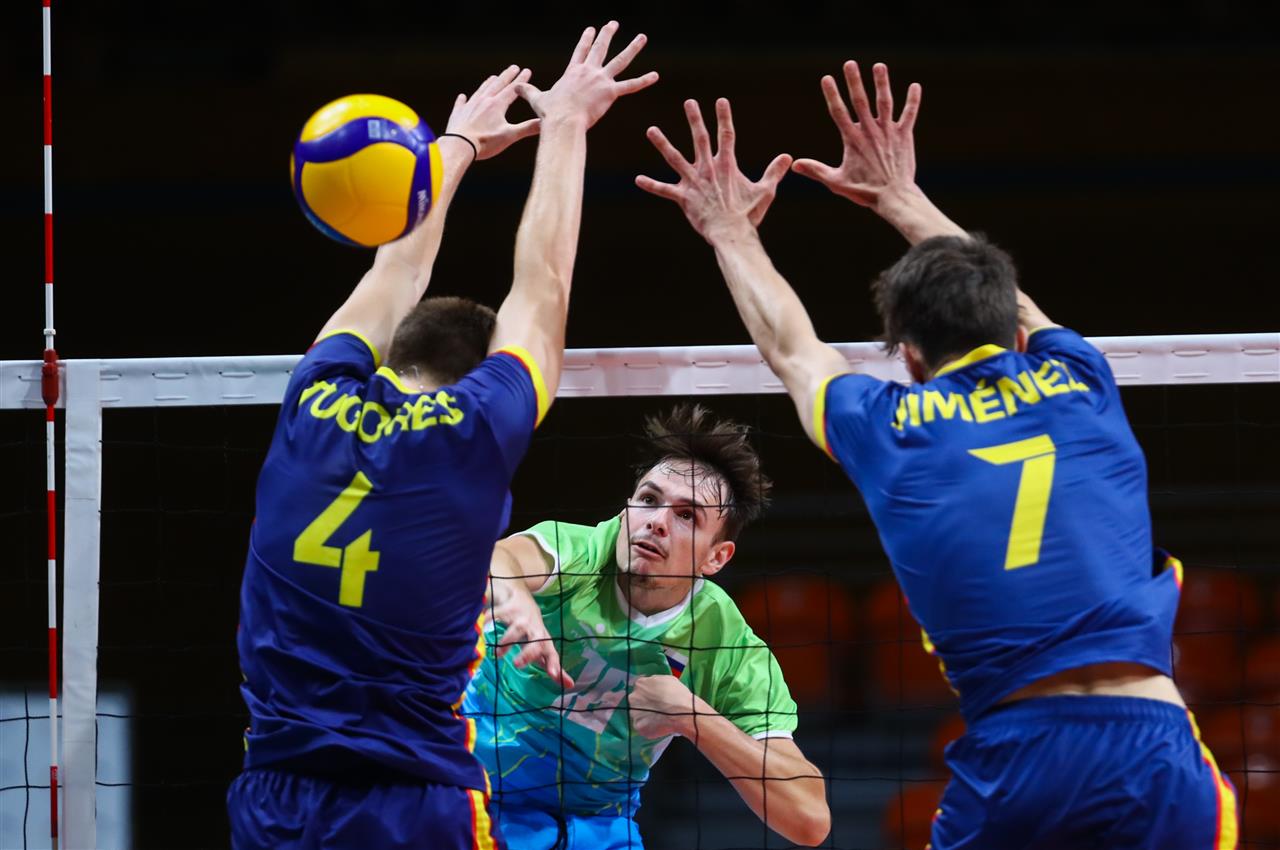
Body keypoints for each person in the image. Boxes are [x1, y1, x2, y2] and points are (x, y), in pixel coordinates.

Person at [636, 62, 1237, 849]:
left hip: (1021, 759)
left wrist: (729, 229)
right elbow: (1013, 304)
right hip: (1157, 744)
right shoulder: (1081, 379)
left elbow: (791, 347)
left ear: (909, 358)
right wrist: (899, 196)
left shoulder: (888, 424)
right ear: (1011, 330)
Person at [227, 24, 658, 850]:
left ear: (394, 354)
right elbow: (545, 283)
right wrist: (566, 124)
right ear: (477, 374)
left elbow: (393, 273)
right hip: (413, 800)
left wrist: (450, 149)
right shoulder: (472, 430)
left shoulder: (310, 404)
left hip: (274, 800)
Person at [461, 404, 831, 849]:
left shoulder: (724, 642)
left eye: (687, 515)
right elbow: (499, 558)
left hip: (596, 822)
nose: (656, 521)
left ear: (716, 557)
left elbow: (810, 821)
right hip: (470, 785)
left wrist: (691, 717)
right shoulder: (582, 552)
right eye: (649, 499)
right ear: (626, 510)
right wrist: (517, 598)